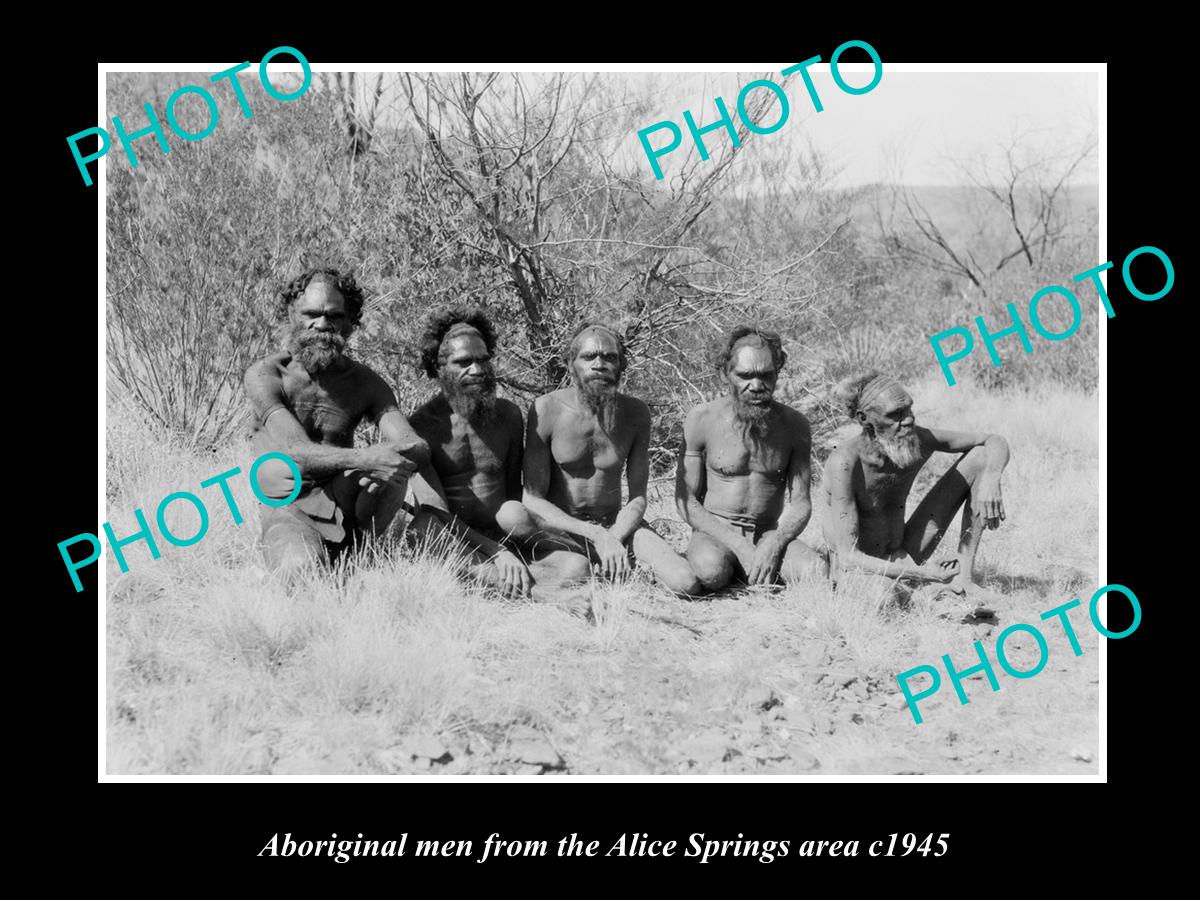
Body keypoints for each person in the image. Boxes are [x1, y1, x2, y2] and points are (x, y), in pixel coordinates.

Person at [244, 268, 429, 574]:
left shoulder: (366, 382)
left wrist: (395, 460)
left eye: (334, 316)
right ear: (292, 314)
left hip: (346, 498)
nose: (322, 325)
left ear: (350, 322)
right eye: (311, 314)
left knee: (392, 477)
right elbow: (295, 452)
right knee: (301, 571)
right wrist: (368, 458)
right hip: (289, 505)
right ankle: (322, 556)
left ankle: (360, 553)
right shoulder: (266, 375)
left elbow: (415, 445)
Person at [405, 308, 591, 599]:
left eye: (483, 360)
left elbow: (518, 494)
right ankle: (540, 594)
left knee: (577, 568)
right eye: (463, 362)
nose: (477, 370)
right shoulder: (420, 427)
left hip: (507, 536)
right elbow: (437, 514)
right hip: (460, 542)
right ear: (439, 368)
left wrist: (515, 544)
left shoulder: (508, 415)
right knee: (423, 529)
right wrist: (496, 552)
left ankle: (507, 583)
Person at [522, 323, 701, 596]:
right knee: (576, 570)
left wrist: (614, 536)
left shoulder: (635, 413)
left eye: (609, 357)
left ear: (621, 366)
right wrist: (596, 536)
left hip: (616, 525)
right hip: (564, 529)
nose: (600, 364)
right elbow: (533, 498)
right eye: (589, 357)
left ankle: (611, 563)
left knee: (685, 581)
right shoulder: (546, 408)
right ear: (571, 364)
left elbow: (638, 497)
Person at [821, 369, 1010, 610]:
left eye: (909, 409)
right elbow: (848, 558)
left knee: (982, 456)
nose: (908, 420)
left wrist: (992, 479)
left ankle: (965, 581)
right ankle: (924, 592)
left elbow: (994, 440)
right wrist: (924, 575)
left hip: (903, 552)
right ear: (864, 418)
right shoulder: (845, 463)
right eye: (896, 415)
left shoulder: (918, 438)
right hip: (861, 570)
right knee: (885, 600)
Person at [675, 325, 826, 592]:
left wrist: (776, 542)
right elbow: (686, 500)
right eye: (745, 376)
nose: (756, 386)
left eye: (766, 376)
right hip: (715, 533)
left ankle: (755, 568)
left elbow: (802, 503)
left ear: (778, 373)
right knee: (711, 571)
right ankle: (740, 568)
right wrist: (739, 545)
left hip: (766, 533)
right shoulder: (702, 419)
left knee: (816, 572)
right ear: (725, 374)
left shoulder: (795, 426)